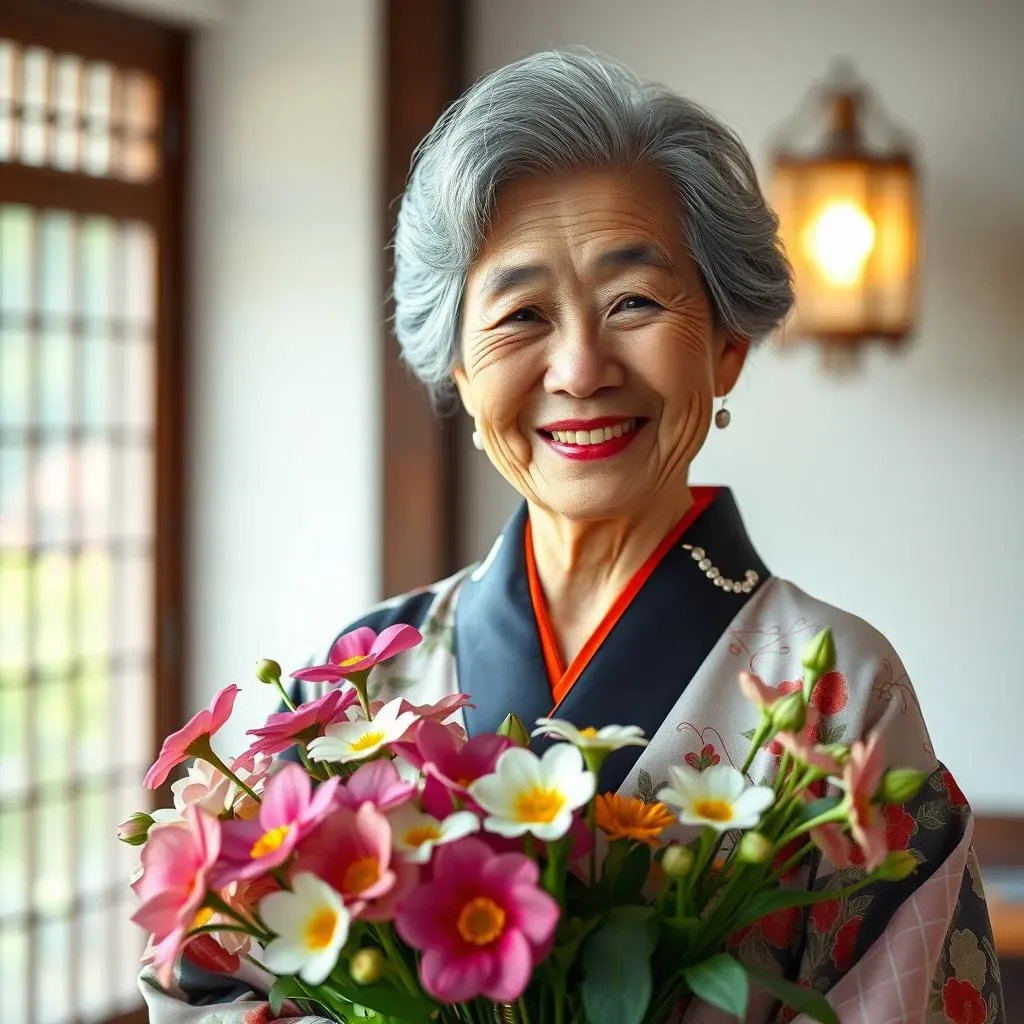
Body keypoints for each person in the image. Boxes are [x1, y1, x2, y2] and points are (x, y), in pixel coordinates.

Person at [142, 50, 1004, 1023]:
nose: (581, 366)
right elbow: (213, 980)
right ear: (459, 376)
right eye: (519, 315)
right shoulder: (355, 688)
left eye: (633, 301)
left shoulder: (835, 685)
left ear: (726, 347)